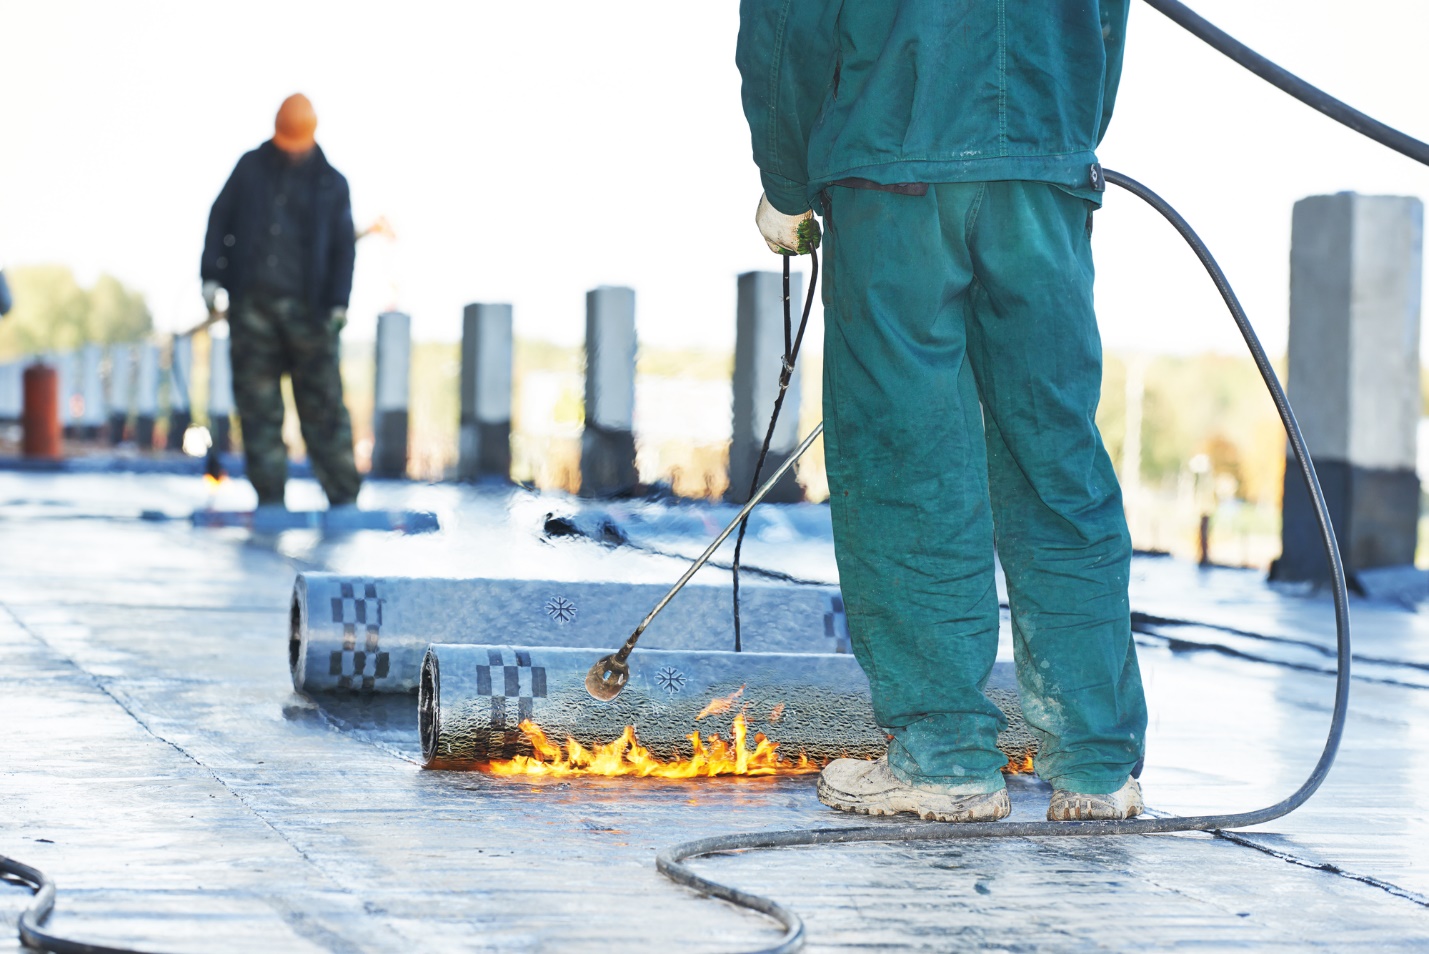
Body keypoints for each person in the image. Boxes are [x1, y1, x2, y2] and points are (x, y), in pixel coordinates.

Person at [736, 1, 1147, 822]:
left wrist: (784, 179)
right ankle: (1097, 768)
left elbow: (787, 22)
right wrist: (1058, 136)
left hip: (894, 169)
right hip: (1043, 173)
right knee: (1056, 458)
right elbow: (1107, 22)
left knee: (907, 463)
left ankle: (944, 758)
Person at [200, 93, 361, 510]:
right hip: (253, 309)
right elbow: (220, 217)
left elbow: (345, 247)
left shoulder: (332, 183)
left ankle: (343, 499)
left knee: (324, 408)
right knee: (258, 408)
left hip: (312, 314)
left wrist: (339, 303)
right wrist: (211, 275)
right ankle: (270, 498)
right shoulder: (250, 167)